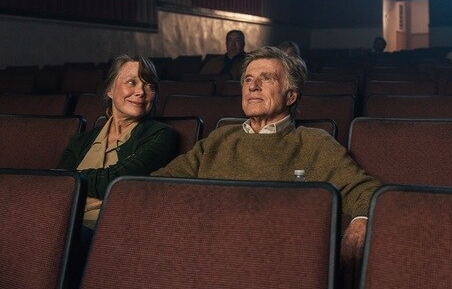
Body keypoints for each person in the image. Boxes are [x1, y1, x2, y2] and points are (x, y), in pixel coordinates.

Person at [152, 46, 381, 272]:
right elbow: (158, 184)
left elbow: (366, 191)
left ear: (290, 95)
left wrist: (361, 221)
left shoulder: (314, 143)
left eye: (266, 78)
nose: (253, 86)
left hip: (275, 260)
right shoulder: (219, 138)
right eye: (248, 79)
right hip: (207, 253)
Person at [58, 55, 179, 229]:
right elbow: (56, 184)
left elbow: (117, 181)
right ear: (110, 89)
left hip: (110, 229)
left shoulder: (162, 135)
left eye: (149, 85)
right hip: (62, 222)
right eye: (131, 82)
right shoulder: (80, 141)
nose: (141, 91)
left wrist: (76, 190)